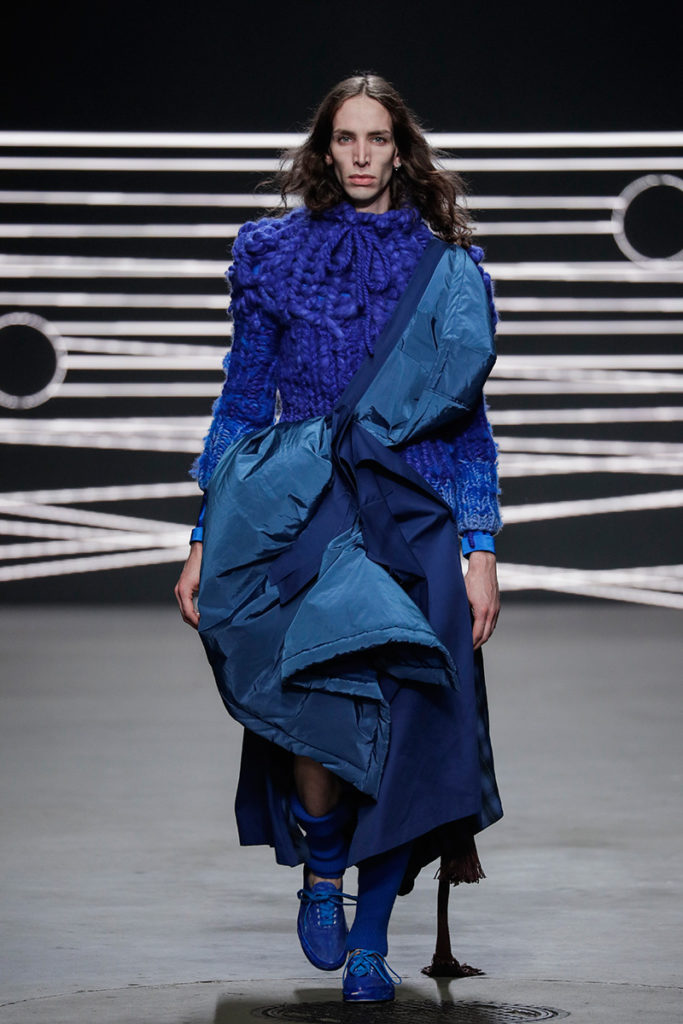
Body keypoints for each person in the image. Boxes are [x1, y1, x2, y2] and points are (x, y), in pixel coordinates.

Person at [175, 73, 502, 1003]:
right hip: (304, 503)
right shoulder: (272, 255)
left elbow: (468, 423)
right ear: (325, 149)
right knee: (316, 696)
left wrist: (479, 543)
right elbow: (245, 399)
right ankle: (323, 862)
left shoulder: (448, 271)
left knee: (412, 721)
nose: (361, 155)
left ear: (401, 151)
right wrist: (202, 531)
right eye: (345, 139)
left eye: (377, 139)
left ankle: (370, 937)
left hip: (416, 509)